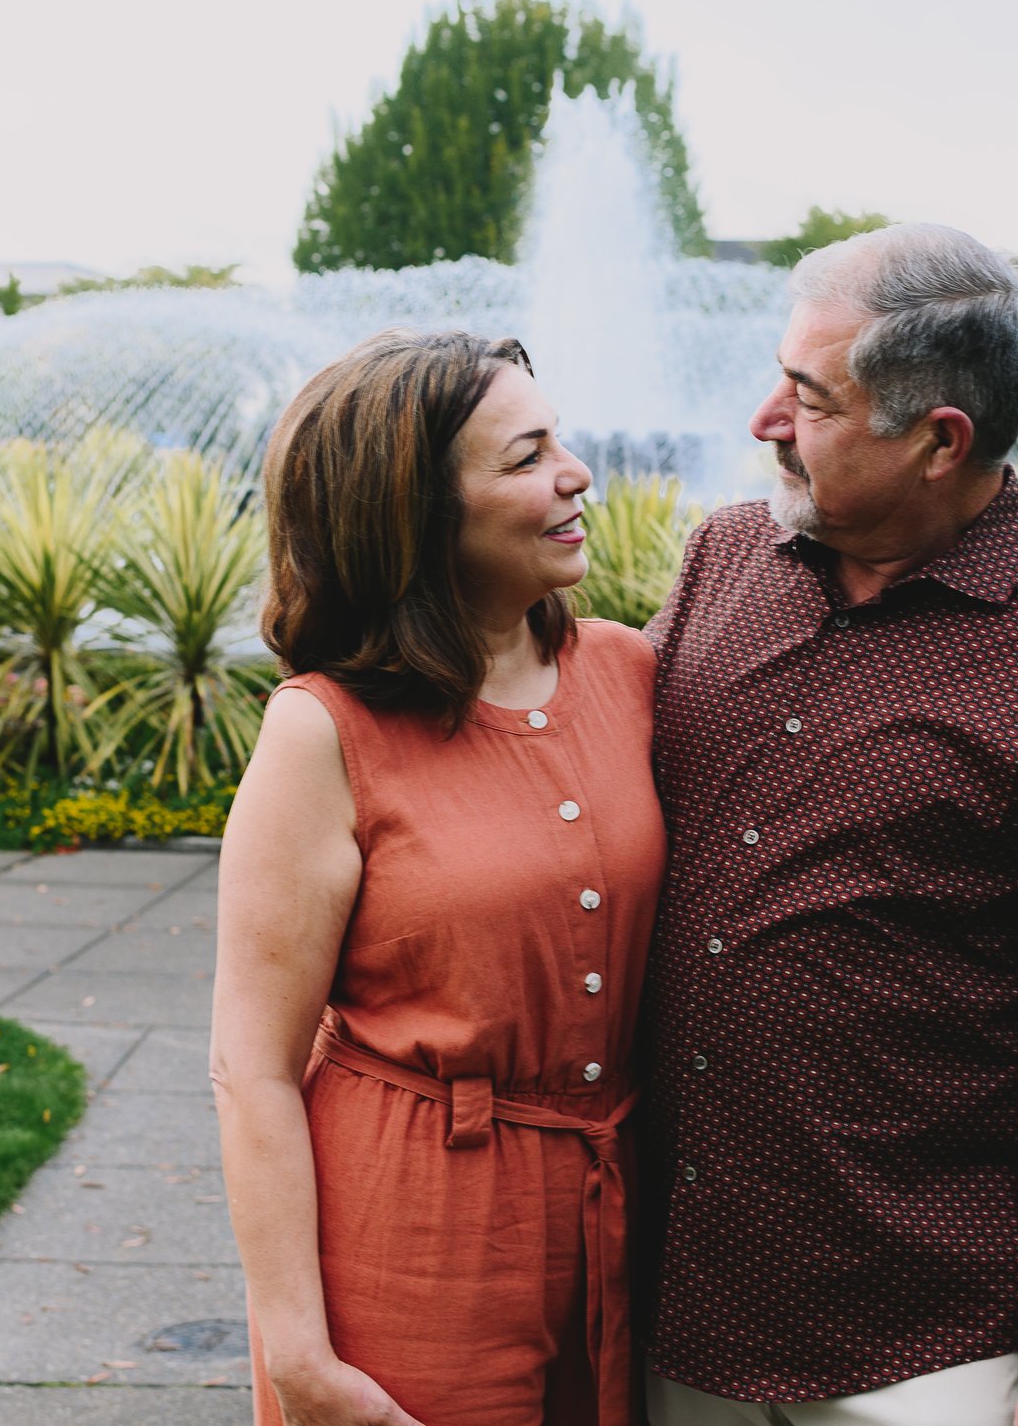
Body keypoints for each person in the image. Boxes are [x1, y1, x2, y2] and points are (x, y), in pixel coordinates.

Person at [638, 225, 1018, 1426]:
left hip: (924, 1338)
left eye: (807, 397)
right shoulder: (719, 563)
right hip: (675, 1294)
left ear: (937, 440)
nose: (763, 420)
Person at [214, 328, 666, 1426]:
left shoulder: (629, 670)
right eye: (524, 457)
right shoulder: (322, 732)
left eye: (559, 440)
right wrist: (300, 1358)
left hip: (623, 1220)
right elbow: (251, 1068)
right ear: (414, 514)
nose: (575, 474)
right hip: (416, 1244)